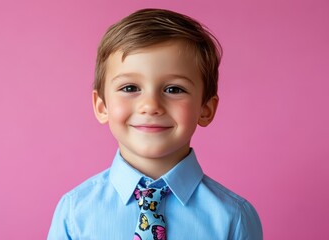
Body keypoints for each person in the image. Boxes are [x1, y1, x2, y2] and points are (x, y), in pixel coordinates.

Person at [48, 8, 263, 240]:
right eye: (130, 88)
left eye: (173, 89)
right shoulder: (74, 212)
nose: (150, 105)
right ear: (102, 107)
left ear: (205, 109)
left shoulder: (234, 217)